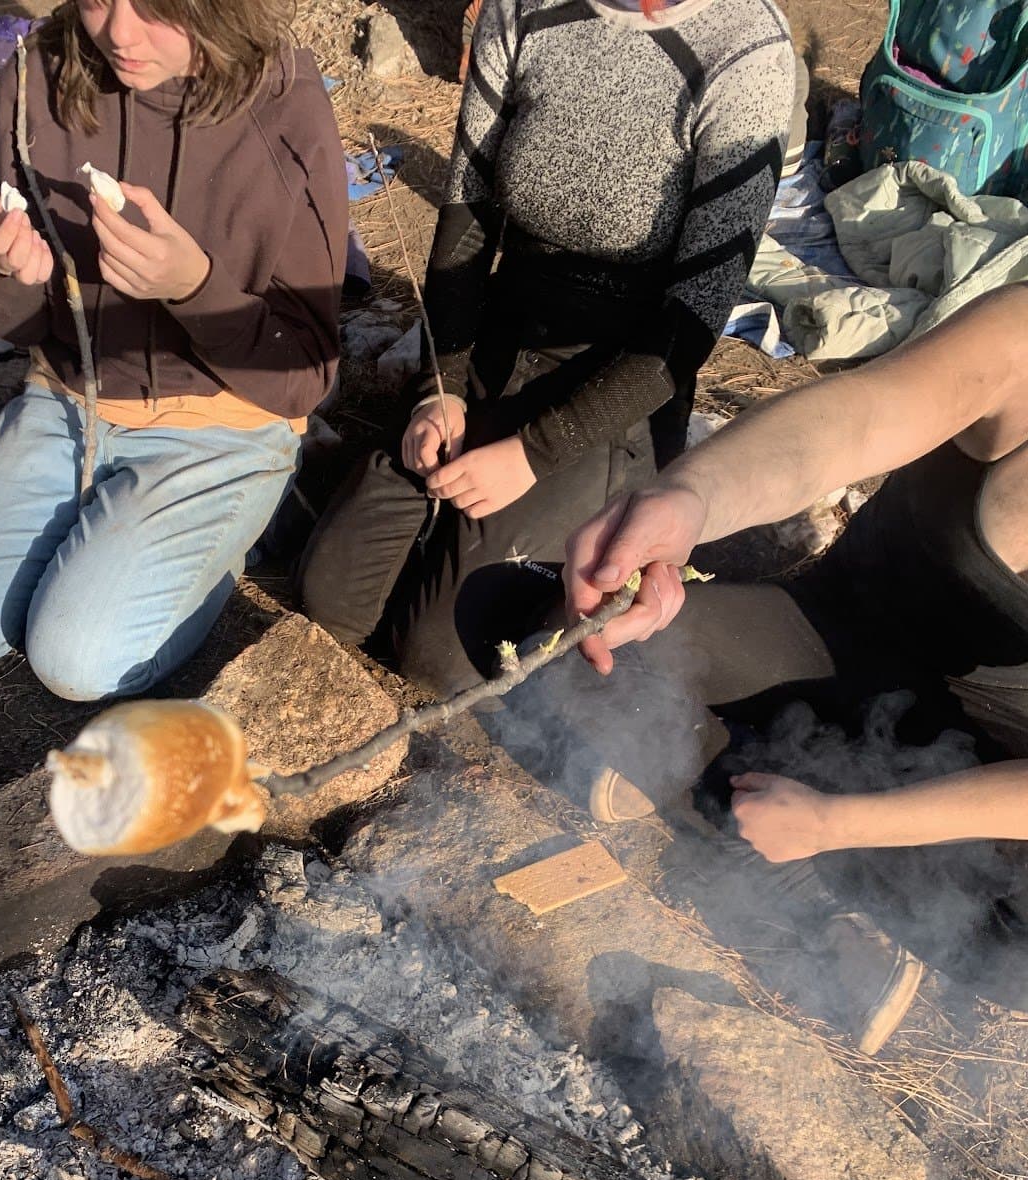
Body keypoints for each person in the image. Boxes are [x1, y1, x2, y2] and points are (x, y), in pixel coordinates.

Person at [552, 285, 1028, 1045]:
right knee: (573, 626)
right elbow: (855, 419)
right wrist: (689, 495)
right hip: (820, 636)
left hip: (981, 777)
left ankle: (755, 815)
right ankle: (760, 828)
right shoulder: (1021, 339)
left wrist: (840, 823)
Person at [299, 0, 797, 696]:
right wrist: (439, 389)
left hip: (620, 376)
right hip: (503, 335)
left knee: (435, 657)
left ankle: (571, 521)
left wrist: (534, 452)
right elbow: (467, 222)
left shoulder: (745, 50)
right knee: (332, 601)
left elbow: (688, 327)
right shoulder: (522, 9)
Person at [0, 0, 347, 702]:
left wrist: (193, 288)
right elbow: (19, 323)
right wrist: (3, 267)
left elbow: (306, 374)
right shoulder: (38, 76)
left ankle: (239, 526)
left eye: (160, 6)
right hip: (70, 403)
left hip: (223, 426)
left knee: (75, 662)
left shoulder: (285, 103)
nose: (120, 35)